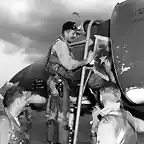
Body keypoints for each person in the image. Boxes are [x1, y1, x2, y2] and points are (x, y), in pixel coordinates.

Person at [46, 21, 94, 123]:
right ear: (66, 32)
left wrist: (81, 32)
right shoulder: (61, 45)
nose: (75, 36)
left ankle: (52, 139)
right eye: (73, 33)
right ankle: (62, 139)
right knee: (63, 116)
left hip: (55, 82)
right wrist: (86, 61)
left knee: (54, 114)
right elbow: (69, 65)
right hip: (60, 83)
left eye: (76, 33)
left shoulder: (59, 43)